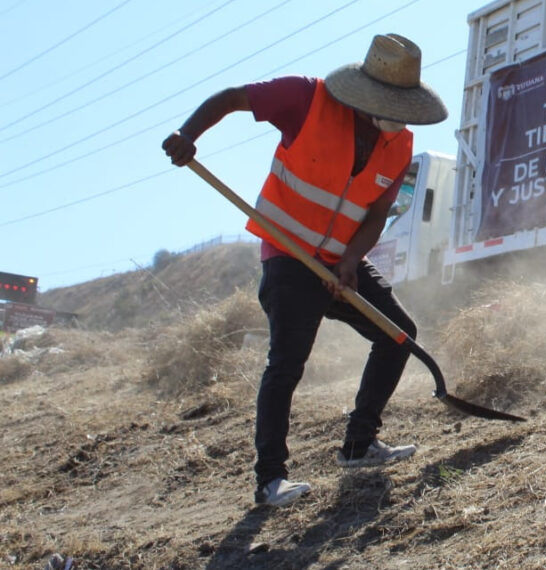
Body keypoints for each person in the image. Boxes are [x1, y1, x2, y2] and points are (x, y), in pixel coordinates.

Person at [162, 34, 448, 507]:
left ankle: (359, 444)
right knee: (287, 364)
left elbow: (377, 213)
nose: (396, 118)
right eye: (388, 106)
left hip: (340, 262)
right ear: (365, 94)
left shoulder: (400, 144)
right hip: (288, 257)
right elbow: (232, 99)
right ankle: (270, 479)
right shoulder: (306, 98)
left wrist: (351, 262)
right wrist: (187, 134)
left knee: (398, 334)